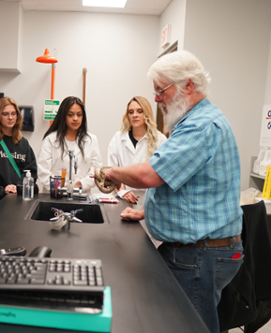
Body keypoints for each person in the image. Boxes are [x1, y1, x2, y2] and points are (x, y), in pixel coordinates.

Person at [102, 51, 243, 333]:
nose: (156, 99)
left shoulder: (201, 126)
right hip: (199, 250)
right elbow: (192, 188)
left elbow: (151, 175)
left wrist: (111, 172)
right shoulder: (191, 123)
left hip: (200, 255)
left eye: (160, 90)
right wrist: (148, 210)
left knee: (189, 326)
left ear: (187, 86)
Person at [107, 96, 167, 208]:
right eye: (131, 112)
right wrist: (123, 192)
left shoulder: (160, 140)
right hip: (122, 199)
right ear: (127, 115)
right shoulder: (118, 138)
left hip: (150, 202)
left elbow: (162, 174)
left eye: (140, 111)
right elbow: (111, 171)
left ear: (147, 114)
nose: (135, 115)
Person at [38, 96, 102, 194]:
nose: (75, 118)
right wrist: (60, 187)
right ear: (63, 116)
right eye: (70, 115)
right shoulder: (50, 140)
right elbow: (43, 172)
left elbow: (96, 172)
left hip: (81, 196)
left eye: (79, 114)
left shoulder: (91, 140)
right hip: (55, 196)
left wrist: (79, 184)